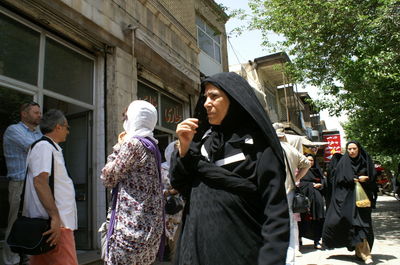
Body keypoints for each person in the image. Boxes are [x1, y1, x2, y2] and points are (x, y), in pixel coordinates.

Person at [170, 72, 290, 265]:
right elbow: (180, 184)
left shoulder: (259, 148)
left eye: (214, 96)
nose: (206, 103)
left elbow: (275, 213)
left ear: (234, 100)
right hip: (195, 252)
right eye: (205, 97)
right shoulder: (202, 144)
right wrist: (184, 149)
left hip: (240, 253)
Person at [101, 100, 164, 265]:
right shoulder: (152, 146)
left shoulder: (133, 143)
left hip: (130, 232)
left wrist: (119, 146)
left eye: (126, 117)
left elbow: (107, 177)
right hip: (149, 230)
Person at [22, 109, 78, 265]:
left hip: (52, 224)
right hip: (54, 225)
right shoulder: (44, 146)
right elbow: (40, 181)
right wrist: (55, 217)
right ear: (58, 127)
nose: (68, 131)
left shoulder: (49, 147)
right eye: (67, 127)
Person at [322, 141, 376, 264]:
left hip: (362, 199)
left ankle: (361, 252)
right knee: (354, 223)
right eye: (349, 149)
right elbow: (337, 179)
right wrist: (353, 179)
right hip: (347, 199)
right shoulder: (343, 163)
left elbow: (373, 177)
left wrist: (366, 179)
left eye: (354, 148)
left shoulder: (365, 161)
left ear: (359, 149)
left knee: (363, 224)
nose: (351, 151)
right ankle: (365, 254)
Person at [2, 102, 42, 265]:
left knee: (32, 222)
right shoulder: (14, 130)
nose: (39, 115)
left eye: (40, 113)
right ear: (24, 114)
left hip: (36, 184)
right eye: (35, 112)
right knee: (15, 223)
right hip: (19, 183)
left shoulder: (37, 133)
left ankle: (26, 257)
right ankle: (10, 260)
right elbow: (34, 149)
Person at [273, 123, 311, 265]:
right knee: (291, 224)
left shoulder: (272, 148)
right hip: (289, 191)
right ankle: (291, 258)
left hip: (275, 192)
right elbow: (307, 163)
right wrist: (297, 178)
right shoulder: (291, 149)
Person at [161, 141, 184, 261]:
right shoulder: (161, 168)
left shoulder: (182, 167)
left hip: (180, 211)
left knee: (176, 244)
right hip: (165, 211)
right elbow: (155, 190)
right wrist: (170, 192)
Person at [298, 154, 326, 250]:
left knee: (317, 219)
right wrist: (311, 185)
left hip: (316, 199)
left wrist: (321, 185)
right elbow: (298, 183)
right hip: (304, 199)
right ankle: (299, 239)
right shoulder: (301, 171)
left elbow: (324, 183)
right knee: (301, 219)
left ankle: (317, 240)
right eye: (308, 160)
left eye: (312, 160)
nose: (310, 162)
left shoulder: (318, 171)